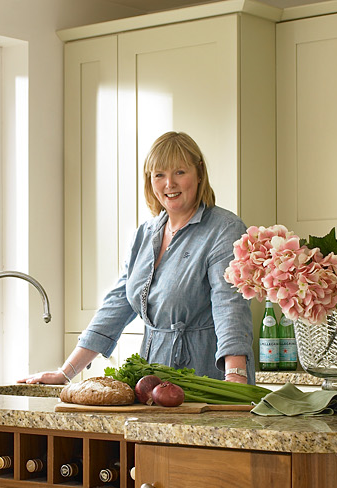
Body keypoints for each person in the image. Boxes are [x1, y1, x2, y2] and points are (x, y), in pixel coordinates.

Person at [21, 130, 254, 386]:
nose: (169, 184)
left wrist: (235, 378)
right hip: (152, 380)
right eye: (160, 175)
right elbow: (117, 304)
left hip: (208, 377)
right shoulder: (146, 234)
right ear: (150, 181)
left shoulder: (224, 229)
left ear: (199, 173)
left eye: (180, 172)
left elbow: (229, 307)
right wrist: (65, 373)